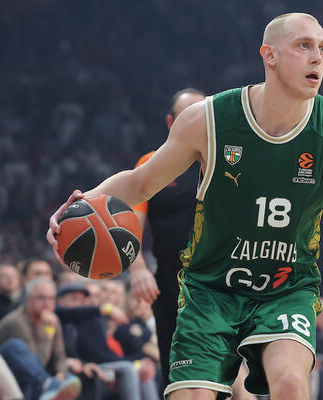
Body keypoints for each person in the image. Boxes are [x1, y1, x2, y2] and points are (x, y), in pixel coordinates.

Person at [47, 12, 323, 400]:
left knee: (291, 384)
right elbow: (141, 181)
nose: (318, 57)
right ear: (269, 55)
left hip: (285, 288)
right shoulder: (209, 119)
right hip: (210, 288)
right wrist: (82, 204)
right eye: (304, 46)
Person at [129, 89, 205, 387]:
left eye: (203, 114)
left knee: (232, 378)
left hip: (219, 280)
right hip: (170, 282)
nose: (197, 120)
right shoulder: (152, 162)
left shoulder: (228, 160)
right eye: (188, 114)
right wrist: (138, 269)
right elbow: (129, 224)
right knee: (178, 378)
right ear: (171, 122)